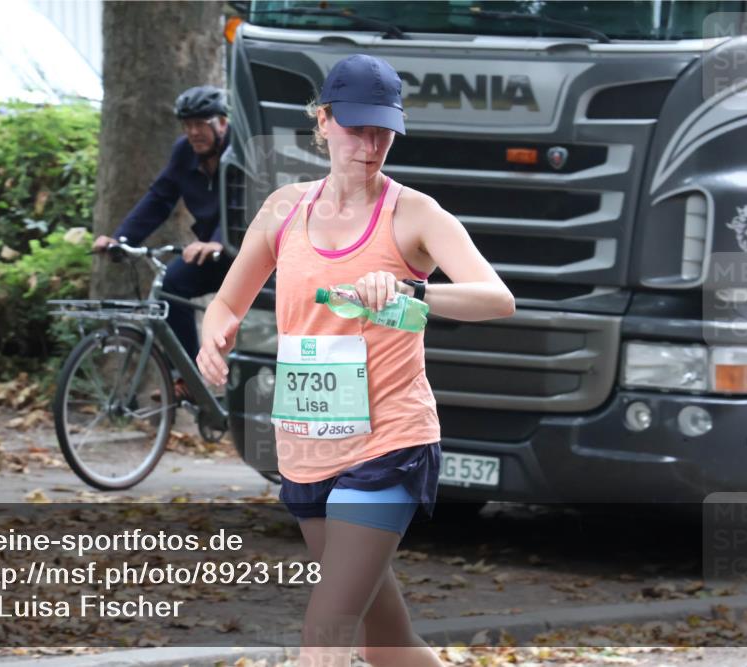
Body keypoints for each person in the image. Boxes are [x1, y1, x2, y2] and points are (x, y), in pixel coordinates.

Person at [196, 54, 515, 666]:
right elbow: (225, 304)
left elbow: (496, 297)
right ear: (324, 121)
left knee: (327, 630)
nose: (370, 146)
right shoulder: (285, 209)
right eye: (356, 128)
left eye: (384, 132)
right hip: (308, 445)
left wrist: (415, 291)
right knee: (383, 645)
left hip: (388, 442)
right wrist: (216, 337)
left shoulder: (413, 213)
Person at [92, 84, 232, 401]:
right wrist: (121, 239)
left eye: (201, 124)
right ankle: (192, 379)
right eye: (188, 125)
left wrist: (218, 242)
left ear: (221, 123)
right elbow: (160, 197)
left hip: (253, 252)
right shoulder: (184, 152)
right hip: (213, 254)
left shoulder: (242, 149)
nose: (193, 132)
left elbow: (253, 202)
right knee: (171, 285)